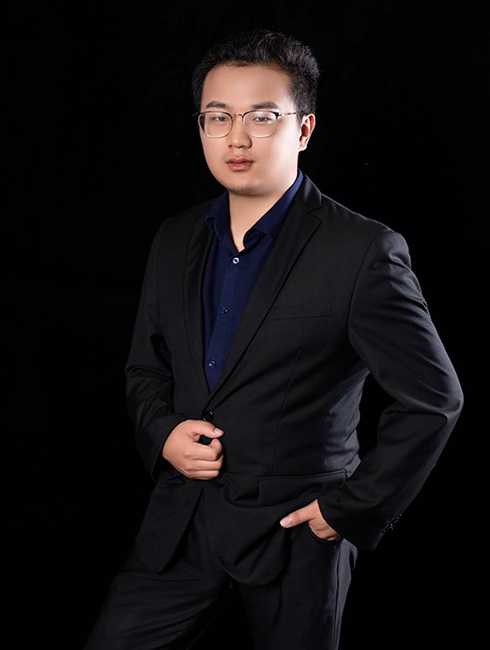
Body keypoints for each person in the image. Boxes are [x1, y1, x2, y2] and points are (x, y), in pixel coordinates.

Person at [83, 28, 464, 650]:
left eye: (262, 117)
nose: (236, 138)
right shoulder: (176, 238)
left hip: (297, 531)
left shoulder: (362, 250)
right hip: (182, 521)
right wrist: (163, 434)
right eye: (218, 117)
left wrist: (350, 509)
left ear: (304, 130)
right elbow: (146, 367)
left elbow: (434, 400)